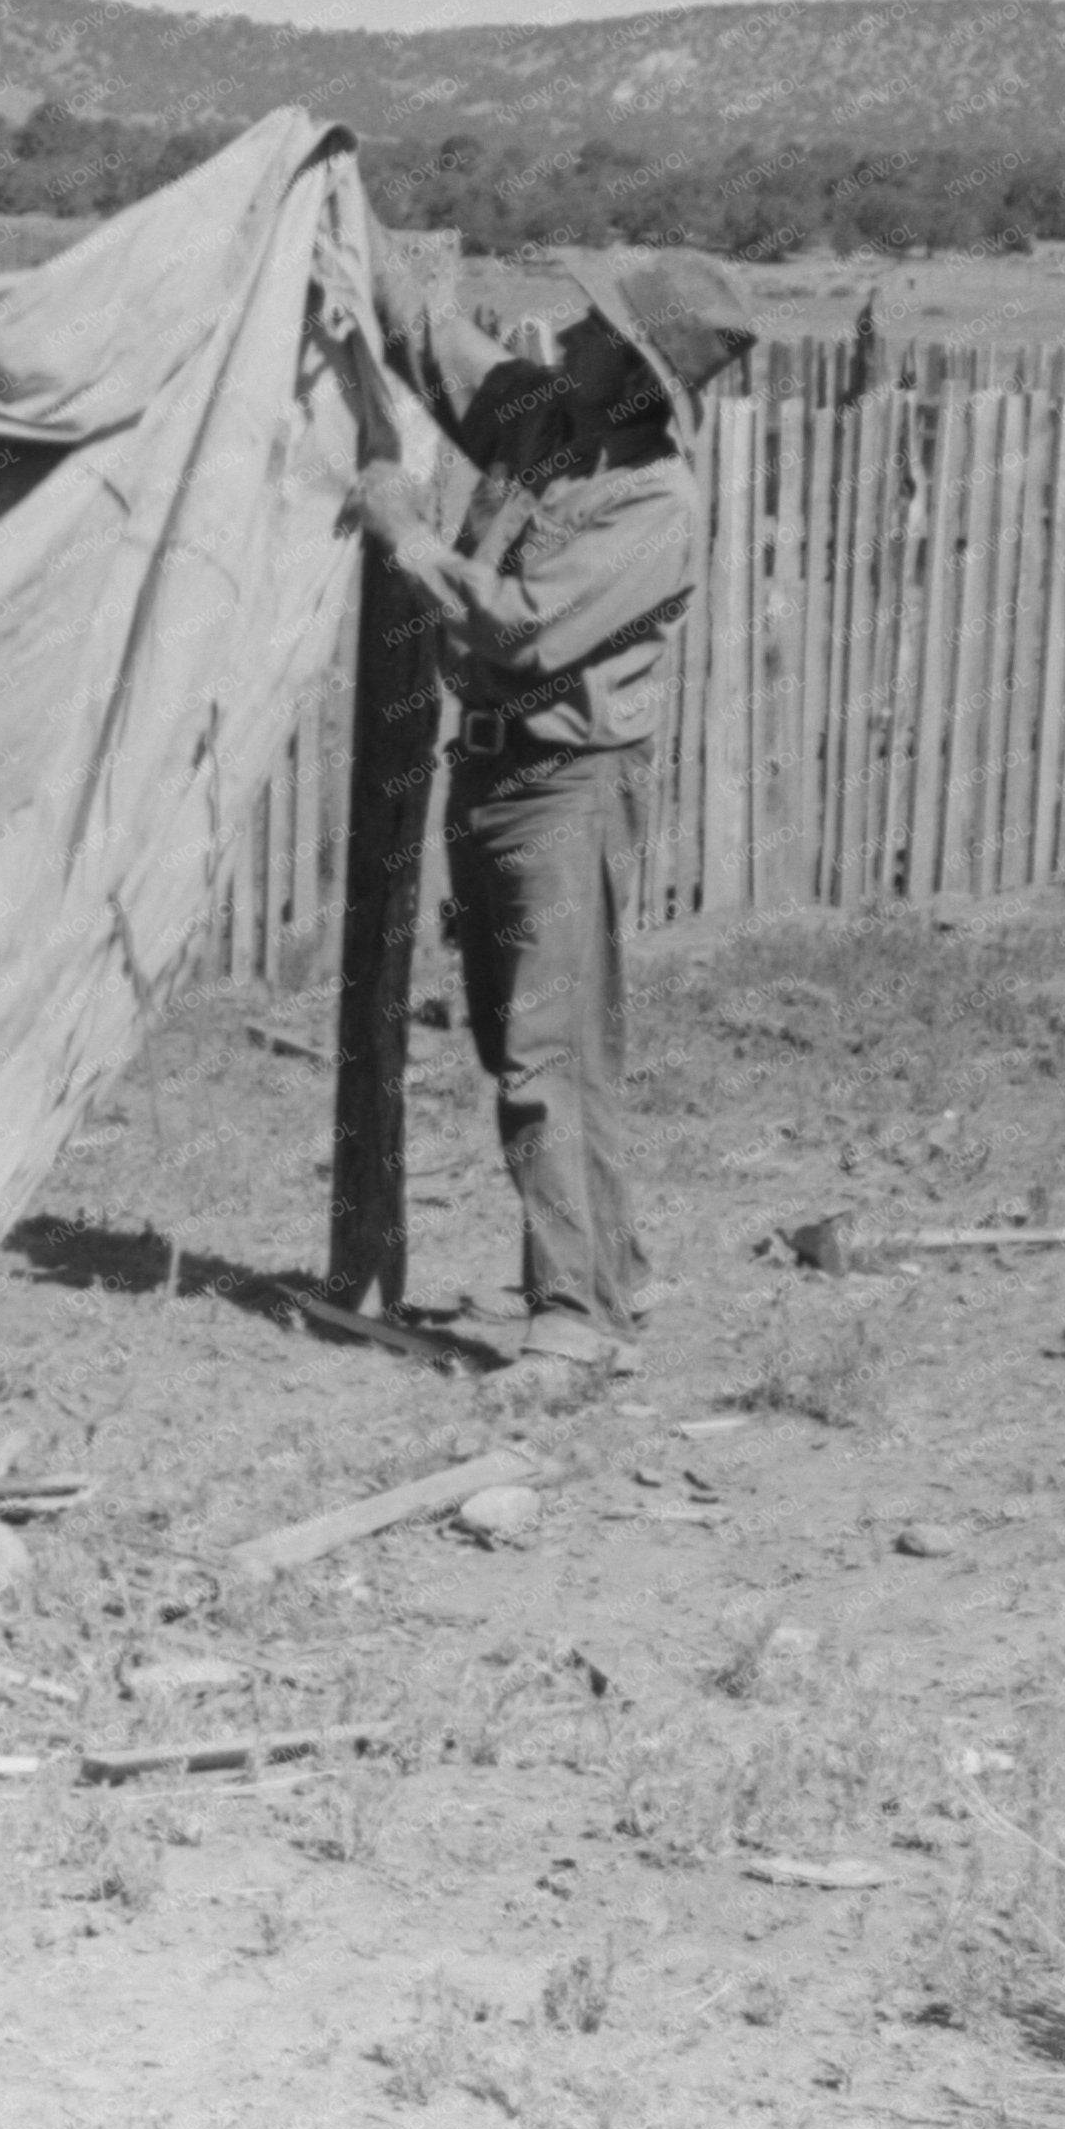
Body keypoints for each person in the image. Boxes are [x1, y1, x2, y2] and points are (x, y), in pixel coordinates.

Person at [345, 227, 759, 1386]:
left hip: (565, 789)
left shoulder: (652, 500)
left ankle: (569, 1324)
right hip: (495, 777)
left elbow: (521, 626)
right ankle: (611, 1277)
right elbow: (433, 343)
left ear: (633, 369)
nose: (565, 330)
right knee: (530, 1042)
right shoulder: (540, 418)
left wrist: (410, 535)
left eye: (597, 326)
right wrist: (344, 209)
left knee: (547, 1051)